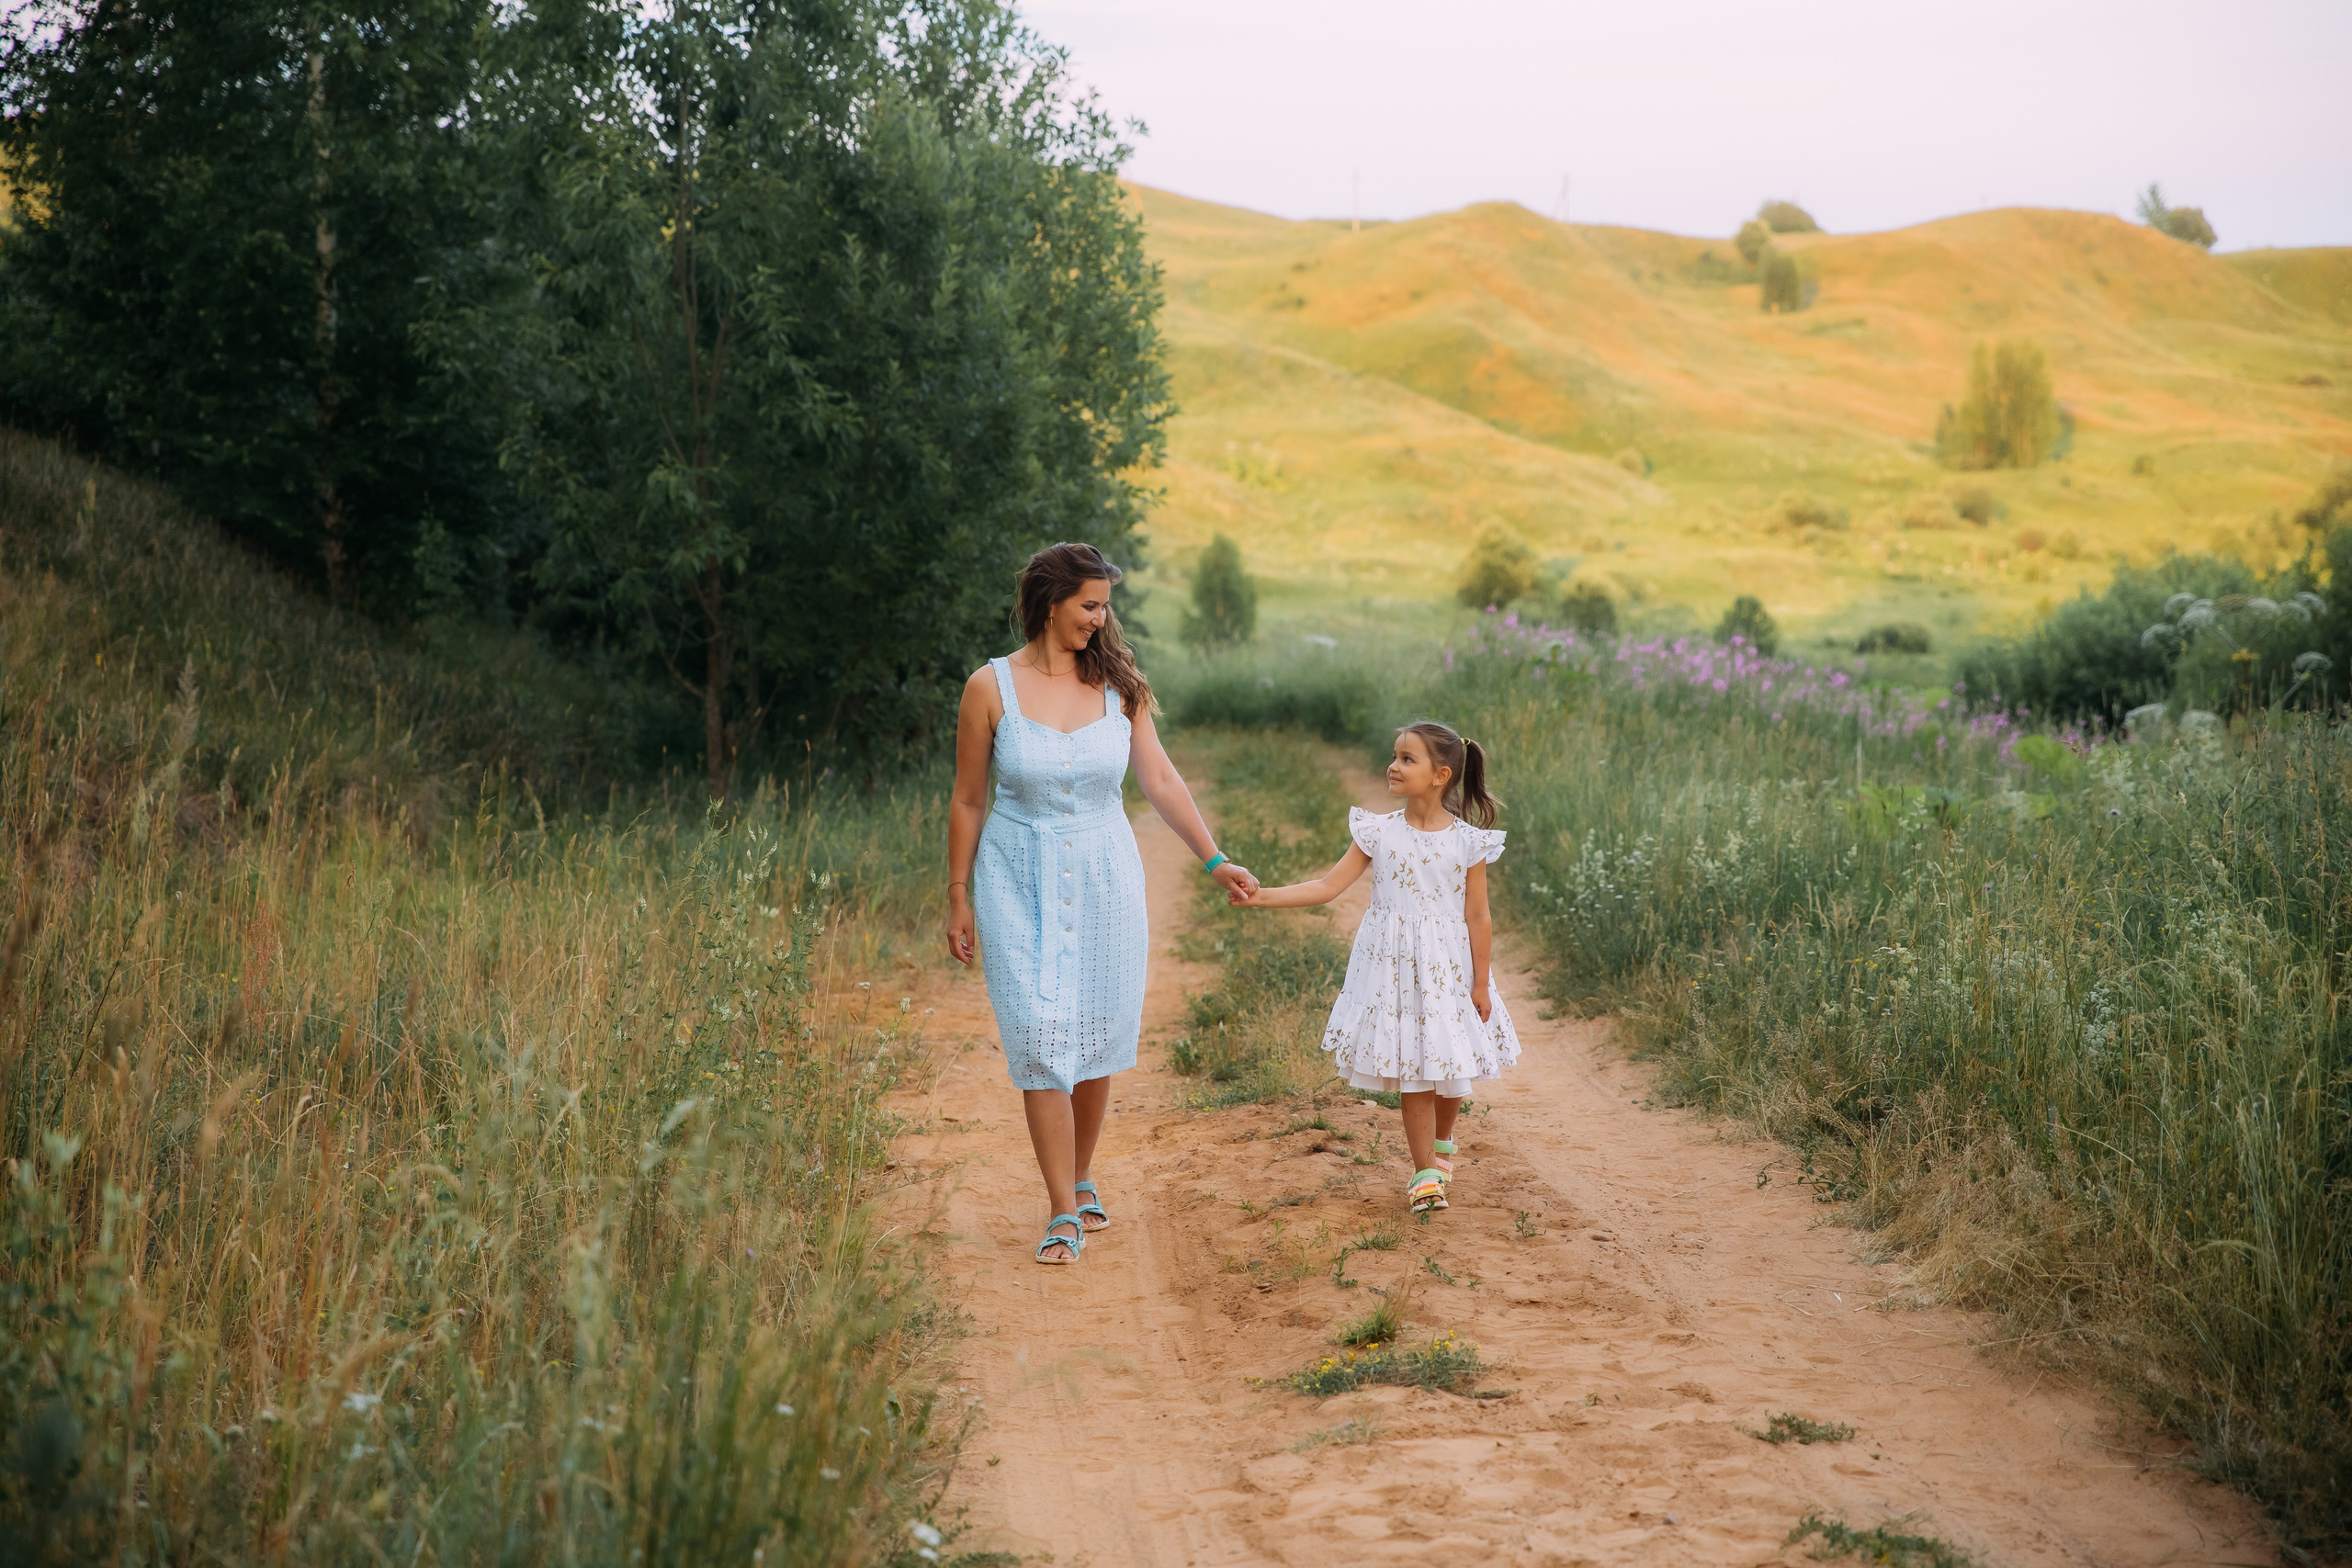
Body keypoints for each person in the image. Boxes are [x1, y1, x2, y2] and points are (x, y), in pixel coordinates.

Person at [944, 542, 1259, 1264]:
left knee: (1093, 1029)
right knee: (1036, 1036)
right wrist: (956, 894)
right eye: (1090, 604)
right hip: (1014, 874)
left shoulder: (1121, 687)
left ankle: (1080, 1174)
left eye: (1104, 605)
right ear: (1050, 602)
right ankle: (1062, 1208)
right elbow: (967, 799)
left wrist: (1213, 859)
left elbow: (1163, 780)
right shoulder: (988, 688)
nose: (1100, 617)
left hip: (1105, 874)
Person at [1233, 721, 1519, 1214]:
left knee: (1452, 1062)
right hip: (1394, 974)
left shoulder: (1469, 843)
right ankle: (1425, 1173)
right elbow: (1326, 887)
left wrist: (1480, 981)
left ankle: (1442, 1143)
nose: (1393, 765)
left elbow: (1478, 915)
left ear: (1441, 775)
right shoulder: (1378, 832)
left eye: (1408, 759)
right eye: (1394, 755)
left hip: (1449, 970)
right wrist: (1262, 899)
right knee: (1415, 1070)